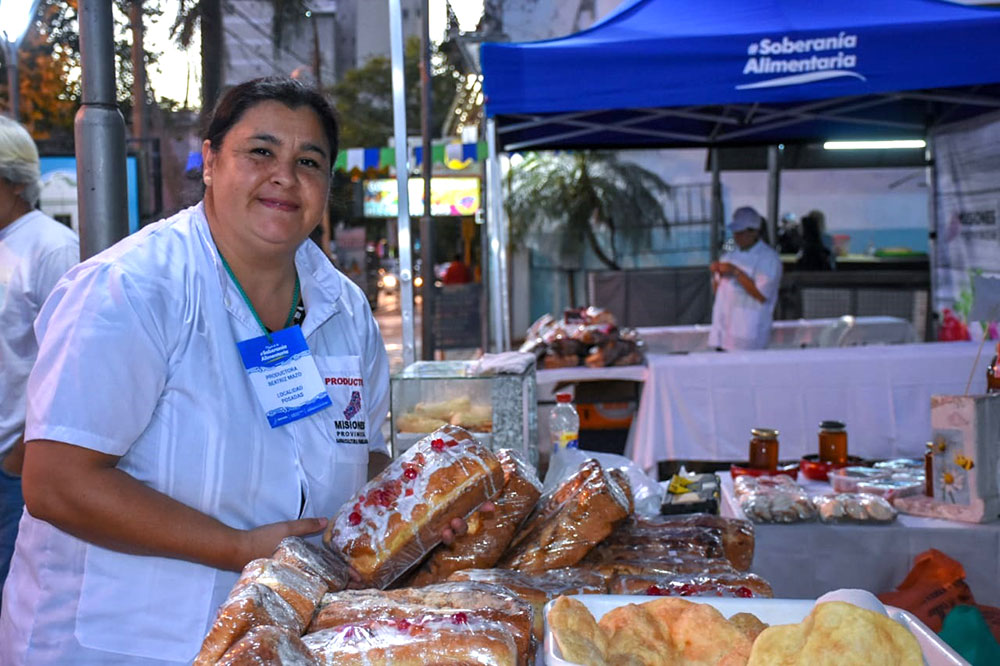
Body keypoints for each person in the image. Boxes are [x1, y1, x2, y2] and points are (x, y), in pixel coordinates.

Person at [0, 77, 481, 664]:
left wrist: (410, 512)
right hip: (118, 643)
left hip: (276, 639)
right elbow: (57, 482)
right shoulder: (131, 289)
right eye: (261, 151)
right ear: (209, 161)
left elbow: (363, 457)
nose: (284, 175)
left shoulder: (345, 309)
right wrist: (239, 548)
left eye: (309, 161)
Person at [0, 117, 79, 609]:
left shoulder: (52, 248)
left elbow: (74, 366)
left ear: (8, 179)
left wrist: (21, 456)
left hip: (14, 470)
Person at [708, 206, 783, 351]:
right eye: (735, 232)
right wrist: (717, 272)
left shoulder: (768, 258)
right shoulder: (729, 253)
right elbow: (717, 289)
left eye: (741, 233)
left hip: (748, 334)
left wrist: (735, 272)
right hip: (723, 332)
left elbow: (762, 295)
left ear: (754, 232)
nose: (737, 237)